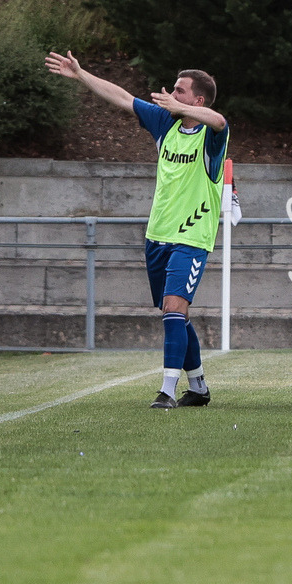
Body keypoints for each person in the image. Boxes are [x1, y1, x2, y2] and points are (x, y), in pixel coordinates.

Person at [45, 51, 228, 409]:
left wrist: (184, 108)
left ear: (197, 100)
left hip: (191, 237)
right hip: (156, 235)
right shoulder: (165, 123)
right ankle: (200, 386)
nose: (170, 94)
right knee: (173, 314)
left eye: (179, 90)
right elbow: (122, 97)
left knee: (175, 309)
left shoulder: (209, 135)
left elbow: (219, 120)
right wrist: (82, 75)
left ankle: (167, 390)